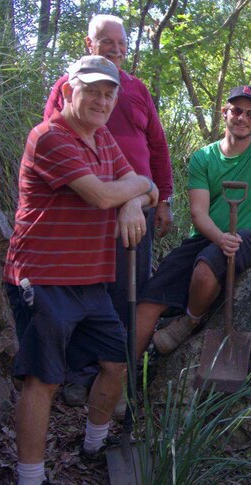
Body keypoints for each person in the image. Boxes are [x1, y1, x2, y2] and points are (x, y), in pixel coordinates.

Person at [4, 56, 158, 485]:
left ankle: (94, 444)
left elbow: (147, 188)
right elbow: (101, 195)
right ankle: (30, 477)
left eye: (109, 94)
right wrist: (136, 189)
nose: (102, 101)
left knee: (116, 361)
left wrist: (134, 196)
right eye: (92, 90)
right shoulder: (51, 137)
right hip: (44, 277)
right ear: (69, 89)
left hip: (91, 279)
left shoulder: (103, 137)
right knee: (43, 379)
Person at [43, 14, 173, 406]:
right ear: (89, 43)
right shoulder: (68, 87)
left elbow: (157, 146)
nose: (116, 49)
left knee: (127, 287)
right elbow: (54, 135)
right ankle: (81, 374)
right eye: (107, 42)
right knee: (86, 288)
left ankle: (118, 376)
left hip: (141, 207)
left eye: (121, 43)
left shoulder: (136, 89)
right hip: (88, 207)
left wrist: (160, 198)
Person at [136, 85, 251, 357]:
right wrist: (219, 237)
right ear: (225, 111)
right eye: (237, 111)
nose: (243, 118)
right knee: (147, 300)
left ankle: (191, 320)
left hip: (248, 237)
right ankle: (123, 380)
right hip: (206, 236)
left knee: (206, 267)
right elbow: (198, 213)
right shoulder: (203, 157)